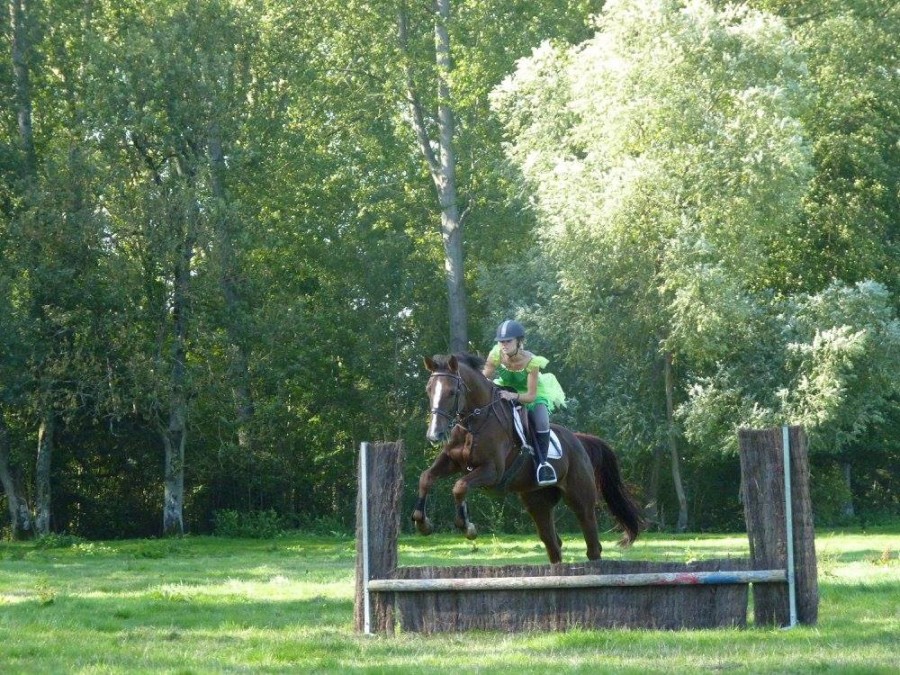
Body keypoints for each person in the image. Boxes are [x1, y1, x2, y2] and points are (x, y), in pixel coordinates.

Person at [482, 319, 566, 486]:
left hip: (531, 393)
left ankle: (543, 465)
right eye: (501, 341)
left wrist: (512, 396)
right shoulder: (496, 354)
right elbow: (484, 377)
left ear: (519, 341)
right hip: (505, 388)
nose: (504, 345)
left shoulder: (532, 361)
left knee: (542, 421)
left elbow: (531, 396)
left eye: (508, 341)